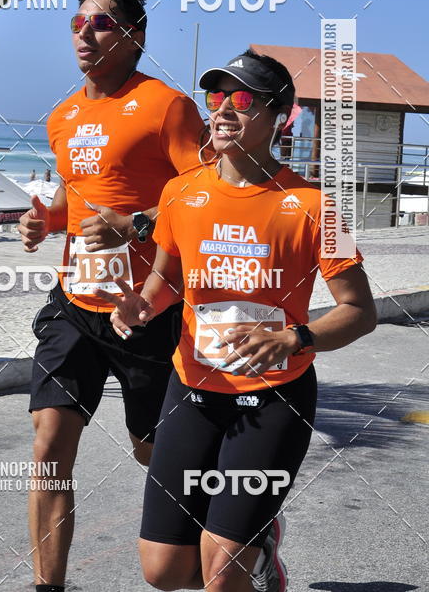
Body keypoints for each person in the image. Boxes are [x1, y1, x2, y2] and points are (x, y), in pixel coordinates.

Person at [102, 49, 377, 592]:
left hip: (276, 396)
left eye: (244, 99)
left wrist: (295, 337)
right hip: (192, 389)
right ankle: (258, 537)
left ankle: (249, 547)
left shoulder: (315, 205)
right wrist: (141, 305)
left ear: (282, 116)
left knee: (221, 571)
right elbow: (167, 280)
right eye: (216, 97)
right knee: (164, 573)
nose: (224, 110)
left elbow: (360, 311)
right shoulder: (181, 192)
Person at [17, 0, 206, 592]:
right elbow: (77, 191)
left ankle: (240, 537)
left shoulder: (167, 106)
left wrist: (136, 225)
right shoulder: (63, 115)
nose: (84, 34)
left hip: (147, 310)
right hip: (74, 303)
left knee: (152, 453)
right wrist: (45, 218)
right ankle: (49, 587)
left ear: (133, 36)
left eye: (99, 24)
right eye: (77, 24)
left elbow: (206, 198)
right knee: (49, 447)